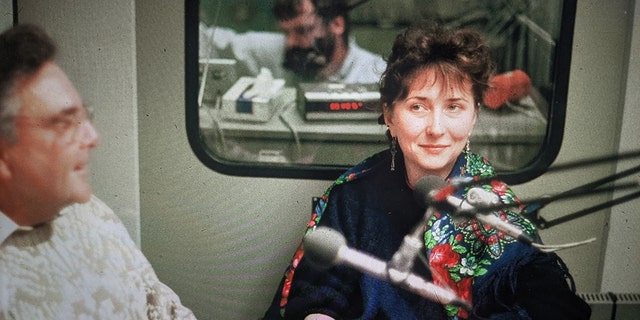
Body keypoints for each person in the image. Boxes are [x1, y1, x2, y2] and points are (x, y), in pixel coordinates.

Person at [263, 20, 591, 319]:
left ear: (474, 115)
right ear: (390, 115)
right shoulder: (352, 197)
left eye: (454, 107)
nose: (436, 127)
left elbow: (553, 306)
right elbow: (317, 296)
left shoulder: (493, 205)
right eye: (418, 106)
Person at [0, 24, 196, 319]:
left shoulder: (90, 212)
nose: (93, 137)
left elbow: (165, 310)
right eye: (65, 123)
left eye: (84, 115)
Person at [199, 0, 386, 84]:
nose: (291, 43)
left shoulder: (378, 74)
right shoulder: (278, 49)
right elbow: (211, 42)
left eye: (302, 30)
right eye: (285, 32)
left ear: (337, 24)